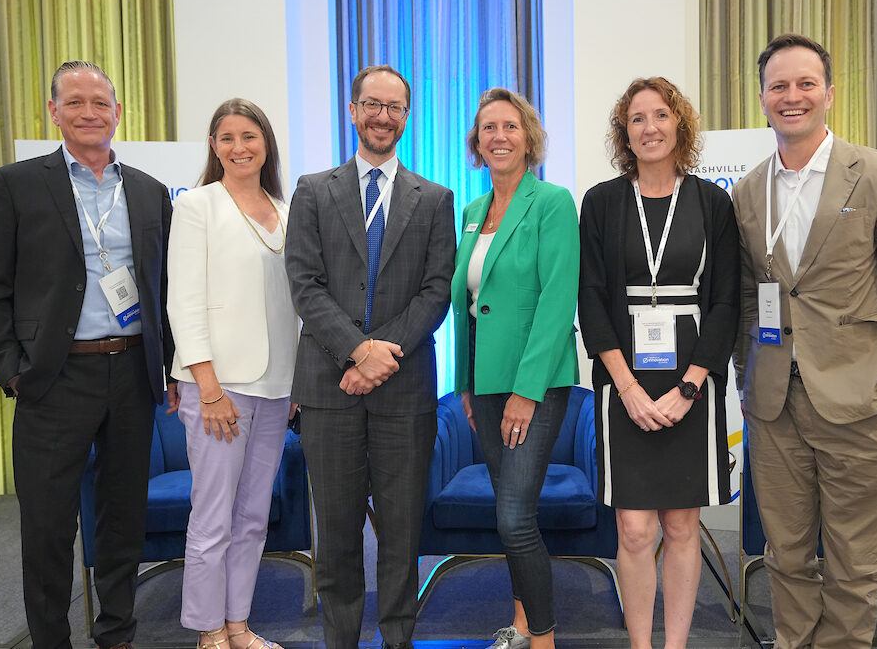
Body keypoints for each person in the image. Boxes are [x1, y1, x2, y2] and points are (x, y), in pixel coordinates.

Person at [732, 34, 877, 649]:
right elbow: (752, 298)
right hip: (773, 408)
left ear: (828, 92)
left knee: (854, 567)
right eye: (778, 86)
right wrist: (750, 376)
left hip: (865, 403)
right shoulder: (747, 192)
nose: (791, 97)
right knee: (786, 557)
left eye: (805, 84)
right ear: (763, 96)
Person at [0, 60, 174, 649]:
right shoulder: (16, 184)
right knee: (48, 526)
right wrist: (11, 371)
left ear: (117, 113)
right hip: (52, 379)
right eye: (76, 102)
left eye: (101, 103)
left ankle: (117, 634)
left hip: (132, 375)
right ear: (54, 112)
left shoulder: (148, 191)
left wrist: (169, 368)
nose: (90, 113)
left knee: (121, 521)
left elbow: (161, 291)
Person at [285, 64, 455, 649]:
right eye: (372, 105)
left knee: (403, 531)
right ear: (353, 111)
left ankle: (398, 639)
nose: (383, 116)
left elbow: (438, 289)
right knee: (334, 533)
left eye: (395, 107)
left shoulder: (435, 199)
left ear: (407, 116)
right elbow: (304, 283)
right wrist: (358, 351)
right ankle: (340, 641)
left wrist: (385, 355)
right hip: (328, 388)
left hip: (405, 391)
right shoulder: (313, 191)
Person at [578, 77, 739, 649]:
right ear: (625, 131)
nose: (650, 128)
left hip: (691, 380)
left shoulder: (712, 201)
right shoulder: (600, 202)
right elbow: (590, 298)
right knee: (634, 526)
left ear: (680, 125)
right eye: (637, 118)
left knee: (680, 524)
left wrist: (691, 387)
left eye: (661, 115)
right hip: (625, 381)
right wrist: (626, 387)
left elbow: (726, 302)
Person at [167, 98, 298, 649]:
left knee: (252, 518)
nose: (239, 147)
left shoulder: (285, 209)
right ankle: (208, 630)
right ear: (214, 146)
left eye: (250, 136)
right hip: (218, 387)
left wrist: (295, 387)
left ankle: (239, 626)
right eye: (227, 137)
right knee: (213, 518)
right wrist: (208, 387)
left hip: (276, 388)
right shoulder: (198, 206)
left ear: (266, 144)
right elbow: (184, 301)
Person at [451, 87, 580, 649]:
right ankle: (522, 624)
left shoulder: (551, 202)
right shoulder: (473, 210)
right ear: (477, 143)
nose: (498, 137)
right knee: (510, 513)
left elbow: (556, 301)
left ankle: (545, 637)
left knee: (514, 517)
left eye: (509, 126)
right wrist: (463, 383)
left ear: (529, 138)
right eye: (488, 129)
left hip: (535, 384)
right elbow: (469, 306)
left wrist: (526, 392)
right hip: (483, 383)